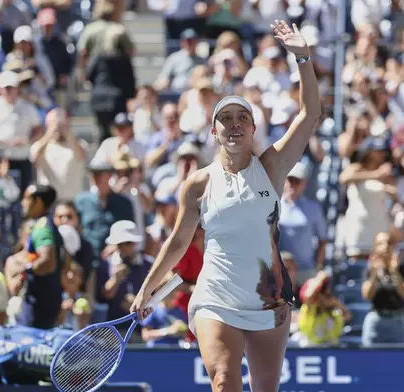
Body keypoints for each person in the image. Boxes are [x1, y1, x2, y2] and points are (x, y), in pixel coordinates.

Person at [131, 20, 321, 392]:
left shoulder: (272, 167)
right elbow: (178, 242)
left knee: (266, 388)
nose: (234, 125)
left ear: (253, 129)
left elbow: (310, 113)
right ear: (213, 132)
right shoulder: (197, 184)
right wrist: (148, 287)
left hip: (268, 299)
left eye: (242, 118)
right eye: (226, 119)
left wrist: (302, 56)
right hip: (215, 296)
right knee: (223, 380)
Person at [15, 184, 65, 329]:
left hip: (39, 305)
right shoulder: (48, 225)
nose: (23, 203)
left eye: (26, 198)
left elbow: (47, 262)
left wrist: (26, 269)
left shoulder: (42, 228)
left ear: (38, 202)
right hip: (48, 300)